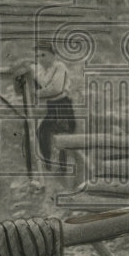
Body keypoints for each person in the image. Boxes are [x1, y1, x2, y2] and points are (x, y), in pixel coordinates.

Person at [14, 40, 75, 169]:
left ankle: (61, 167)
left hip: (62, 106)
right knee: (42, 133)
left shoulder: (59, 67)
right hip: (51, 106)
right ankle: (47, 165)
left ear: (53, 55)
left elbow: (56, 88)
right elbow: (32, 71)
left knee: (60, 136)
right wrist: (26, 67)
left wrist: (36, 93)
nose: (40, 59)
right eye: (38, 56)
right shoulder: (41, 69)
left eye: (44, 55)